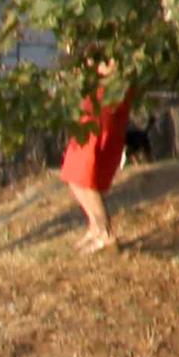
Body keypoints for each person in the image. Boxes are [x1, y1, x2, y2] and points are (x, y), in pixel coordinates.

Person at [61, 62, 132, 253]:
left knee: (84, 177)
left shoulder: (116, 44)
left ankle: (106, 234)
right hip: (92, 107)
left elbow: (115, 69)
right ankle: (94, 228)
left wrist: (88, 65)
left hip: (103, 109)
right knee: (73, 174)